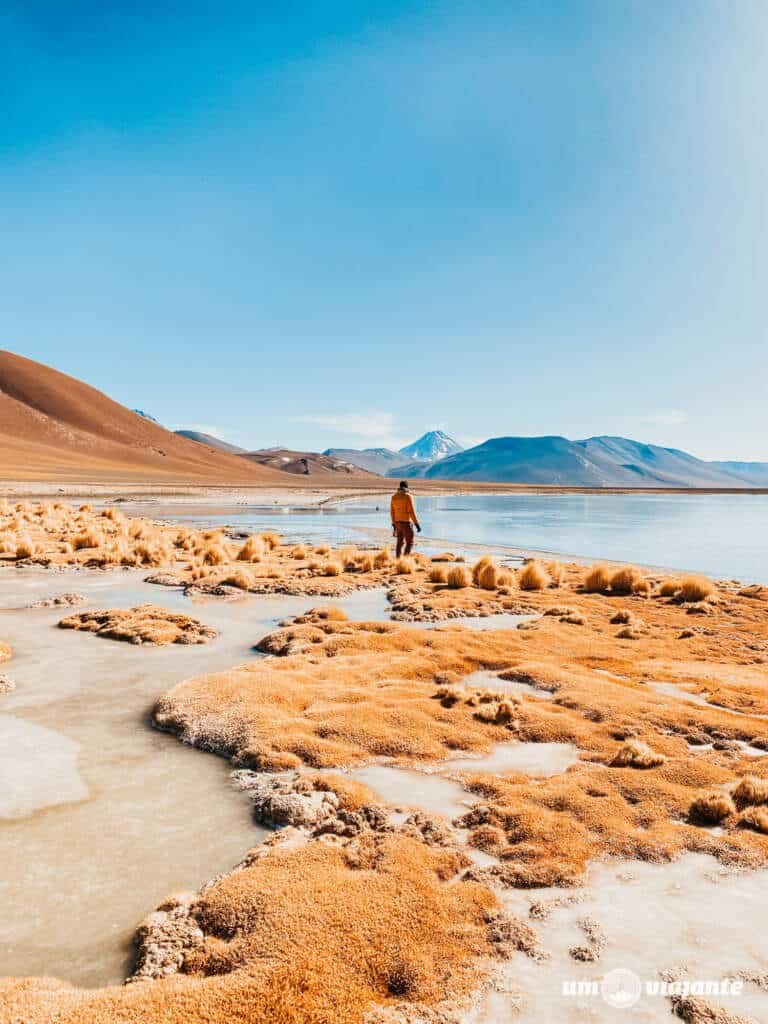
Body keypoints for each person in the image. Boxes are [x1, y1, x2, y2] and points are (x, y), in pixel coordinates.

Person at [390, 480, 421, 557]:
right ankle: (405, 560)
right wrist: (416, 523)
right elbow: (411, 512)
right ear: (407, 487)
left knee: (399, 543)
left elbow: (392, 512)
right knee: (409, 542)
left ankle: (398, 560)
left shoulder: (394, 497)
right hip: (406, 523)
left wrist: (394, 524)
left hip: (397, 523)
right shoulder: (408, 496)